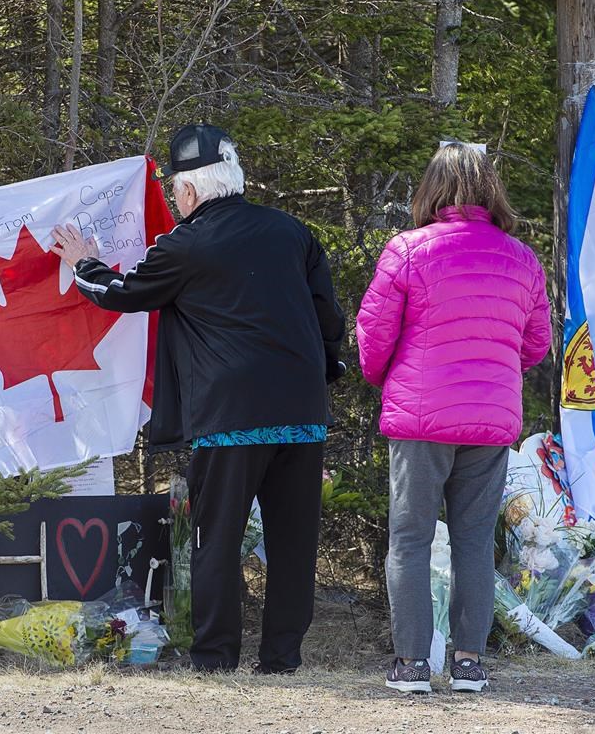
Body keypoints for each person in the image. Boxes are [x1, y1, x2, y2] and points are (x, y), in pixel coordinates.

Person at [49, 125, 346, 673]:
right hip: (302, 412)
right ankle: (281, 659)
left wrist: (83, 262)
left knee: (218, 539)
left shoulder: (188, 243)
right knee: (294, 543)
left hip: (231, 414)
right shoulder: (293, 231)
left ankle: (215, 658)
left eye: (173, 193)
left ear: (187, 193)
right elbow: (329, 320)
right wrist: (325, 373)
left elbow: (124, 294)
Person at [356, 143, 551, 693]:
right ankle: (468, 662)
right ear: (491, 189)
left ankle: (413, 664)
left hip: (419, 417)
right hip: (489, 420)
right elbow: (535, 344)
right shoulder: (521, 257)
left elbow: (374, 337)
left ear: (432, 188)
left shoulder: (408, 250)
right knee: (473, 541)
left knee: (411, 540)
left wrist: (388, 379)